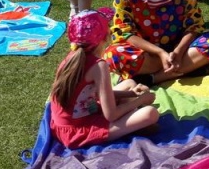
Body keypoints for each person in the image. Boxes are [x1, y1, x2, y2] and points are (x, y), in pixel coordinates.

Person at [49, 9, 159, 149]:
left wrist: (132, 94)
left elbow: (91, 94)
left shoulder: (72, 57)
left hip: (66, 124)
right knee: (150, 113)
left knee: (130, 83)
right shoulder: (99, 66)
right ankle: (132, 123)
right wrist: (141, 100)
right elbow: (111, 115)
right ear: (105, 37)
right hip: (78, 132)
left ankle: (131, 117)